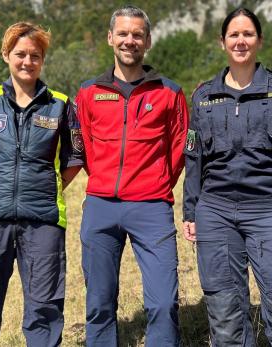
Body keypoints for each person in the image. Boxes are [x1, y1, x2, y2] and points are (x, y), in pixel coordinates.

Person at [182, 7, 272, 347]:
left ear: (259, 40)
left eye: (248, 34)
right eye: (234, 34)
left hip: (269, 208)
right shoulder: (203, 96)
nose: (240, 41)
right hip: (215, 212)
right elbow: (194, 158)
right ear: (222, 42)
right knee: (225, 316)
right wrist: (190, 211)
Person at [0, 22, 83, 347]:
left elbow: (74, 160)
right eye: (20, 54)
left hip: (43, 222)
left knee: (44, 306)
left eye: (35, 55)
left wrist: (47, 187)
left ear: (42, 60)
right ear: (6, 54)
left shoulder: (60, 105)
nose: (27, 61)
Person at [74, 5, 189, 347]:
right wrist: (105, 181)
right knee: (98, 302)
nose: (130, 41)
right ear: (111, 38)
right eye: (122, 34)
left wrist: (154, 183)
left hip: (152, 206)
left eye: (137, 34)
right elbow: (85, 147)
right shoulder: (89, 92)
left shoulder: (170, 93)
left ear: (148, 40)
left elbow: (179, 148)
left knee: (163, 301)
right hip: (100, 206)